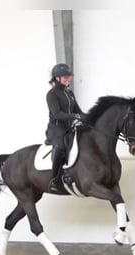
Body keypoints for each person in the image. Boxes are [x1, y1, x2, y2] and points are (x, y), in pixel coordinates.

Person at [45, 63, 85, 192]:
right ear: (57, 78)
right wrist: (75, 116)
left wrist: (91, 118)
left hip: (69, 128)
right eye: (65, 76)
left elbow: (79, 111)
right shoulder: (51, 94)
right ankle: (54, 180)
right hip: (56, 129)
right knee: (61, 147)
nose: (68, 78)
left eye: (69, 76)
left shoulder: (70, 93)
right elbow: (57, 114)